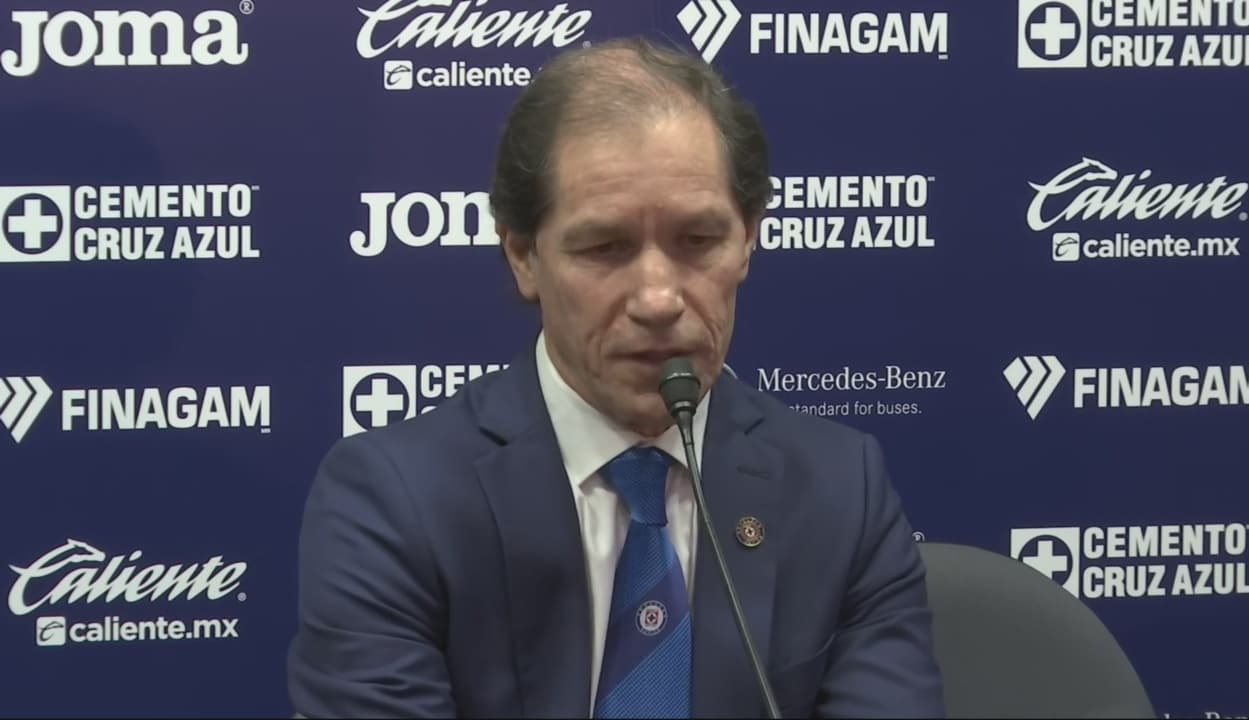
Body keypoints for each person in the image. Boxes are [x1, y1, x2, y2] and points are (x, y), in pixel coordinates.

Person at [287, 36, 944, 718]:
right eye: (605, 247)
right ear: (523, 255)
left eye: (698, 241)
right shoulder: (396, 502)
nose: (658, 298)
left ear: (748, 239)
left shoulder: (840, 490)